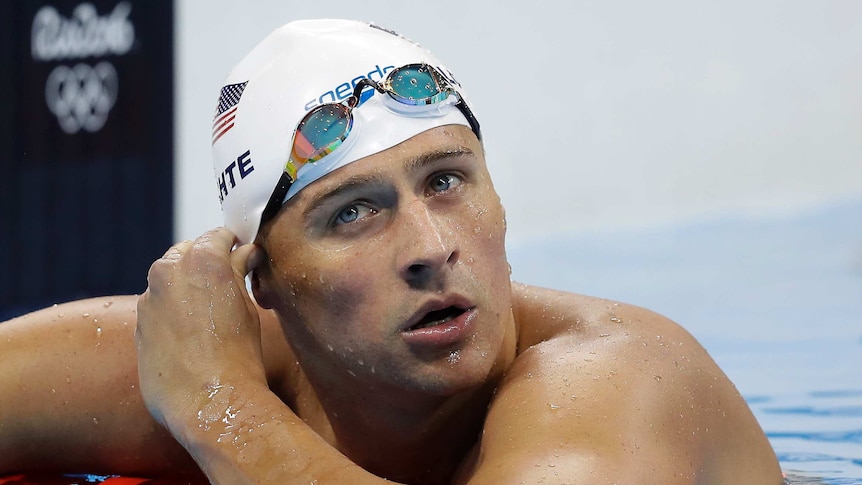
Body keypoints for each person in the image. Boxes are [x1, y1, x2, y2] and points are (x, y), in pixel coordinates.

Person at [0, 19, 784, 484]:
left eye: (447, 181)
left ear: (499, 200)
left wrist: (219, 410)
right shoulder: (197, 355)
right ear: (262, 280)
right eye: (353, 213)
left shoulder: (616, 375)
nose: (431, 246)